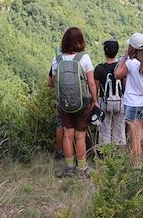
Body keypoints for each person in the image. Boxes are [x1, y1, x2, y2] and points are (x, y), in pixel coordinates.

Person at [48, 27, 98, 178]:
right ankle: (81, 169)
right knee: (80, 136)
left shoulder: (56, 60)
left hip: (64, 104)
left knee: (68, 135)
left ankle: (69, 168)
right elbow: (91, 82)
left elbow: (53, 83)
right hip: (83, 103)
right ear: (80, 41)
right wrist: (94, 100)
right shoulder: (84, 58)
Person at [115, 33, 143, 161]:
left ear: (132, 48)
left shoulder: (131, 64)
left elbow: (117, 75)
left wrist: (124, 58)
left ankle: (137, 164)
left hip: (132, 103)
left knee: (136, 136)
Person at [94, 38, 126, 148]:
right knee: (119, 126)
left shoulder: (99, 68)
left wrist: (94, 102)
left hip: (104, 100)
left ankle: (105, 152)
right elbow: (124, 85)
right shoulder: (121, 67)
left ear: (105, 51)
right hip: (120, 101)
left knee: (104, 127)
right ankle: (118, 151)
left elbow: (95, 87)